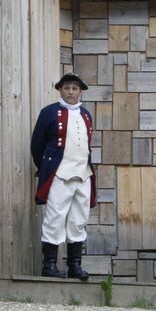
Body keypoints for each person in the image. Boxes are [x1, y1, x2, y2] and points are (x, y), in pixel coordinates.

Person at [30, 73, 97, 280]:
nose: (71, 92)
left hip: (83, 174)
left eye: (75, 88)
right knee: (55, 217)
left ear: (80, 92)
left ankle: (74, 265)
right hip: (59, 174)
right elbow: (36, 145)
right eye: (67, 88)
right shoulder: (49, 113)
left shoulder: (86, 115)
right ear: (60, 90)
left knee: (78, 219)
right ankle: (49, 265)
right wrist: (49, 169)